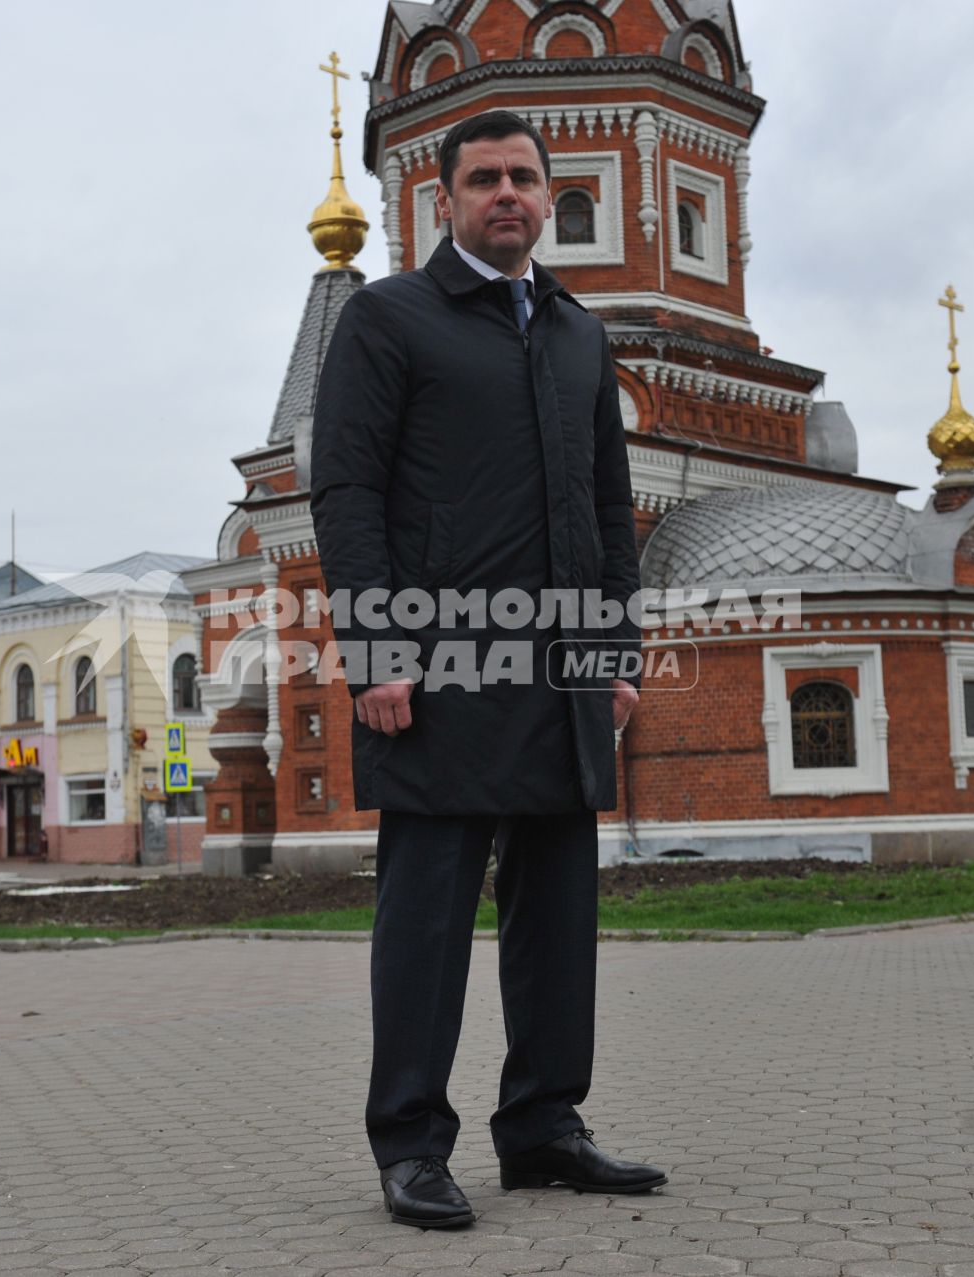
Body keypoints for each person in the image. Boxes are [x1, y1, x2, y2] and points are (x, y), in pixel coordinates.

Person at [309, 109, 665, 1230]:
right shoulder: (389, 319)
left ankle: (545, 1126)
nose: (506, 194)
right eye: (484, 179)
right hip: (437, 668)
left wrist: (615, 652)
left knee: (559, 912)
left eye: (523, 177)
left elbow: (610, 509)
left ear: (547, 194)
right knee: (427, 920)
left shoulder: (574, 334)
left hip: (561, 670)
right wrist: (375, 648)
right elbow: (348, 494)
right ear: (445, 199)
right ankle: (412, 1142)